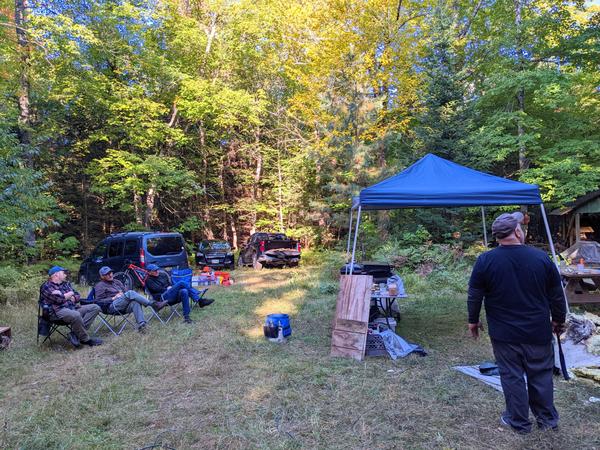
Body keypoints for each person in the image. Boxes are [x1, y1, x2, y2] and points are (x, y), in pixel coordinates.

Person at [467, 212, 567, 434]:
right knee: (541, 375)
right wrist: (558, 320)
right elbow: (557, 294)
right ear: (517, 232)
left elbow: (475, 294)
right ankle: (547, 421)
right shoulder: (541, 258)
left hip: (504, 334)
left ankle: (519, 423)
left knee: (511, 376)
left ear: (497, 236)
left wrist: (473, 321)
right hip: (537, 331)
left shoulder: (485, 260)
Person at [40, 266, 103, 347]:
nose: (66, 275)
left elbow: (77, 296)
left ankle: (75, 334)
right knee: (76, 315)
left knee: (95, 307)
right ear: (56, 275)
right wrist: (69, 294)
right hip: (57, 311)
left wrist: (66, 295)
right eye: (63, 273)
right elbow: (58, 300)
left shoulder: (66, 284)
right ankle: (86, 340)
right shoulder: (46, 286)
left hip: (73, 308)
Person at [94, 266, 167, 333]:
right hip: (111, 307)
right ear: (102, 276)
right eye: (107, 274)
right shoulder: (100, 286)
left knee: (135, 302)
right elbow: (99, 301)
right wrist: (113, 298)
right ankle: (153, 304)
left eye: (110, 273)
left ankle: (142, 325)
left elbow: (126, 293)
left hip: (122, 304)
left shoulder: (117, 282)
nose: (110, 275)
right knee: (130, 293)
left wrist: (123, 295)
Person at [145, 264, 213, 324]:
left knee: (184, 291)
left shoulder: (162, 275)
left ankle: (187, 318)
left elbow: (170, 284)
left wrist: (171, 287)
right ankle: (199, 300)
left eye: (157, 269)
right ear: (149, 272)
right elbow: (158, 289)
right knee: (181, 283)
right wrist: (168, 289)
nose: (157, 271)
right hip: (162, 299)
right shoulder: (148, 280)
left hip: (171, 295)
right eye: (154, 271)